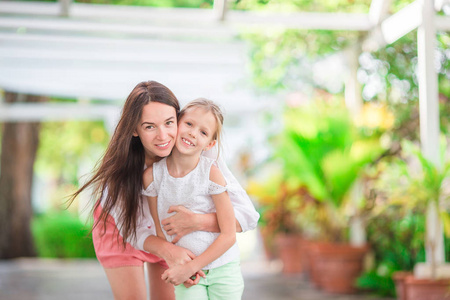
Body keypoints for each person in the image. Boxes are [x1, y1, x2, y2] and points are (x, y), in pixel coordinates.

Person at [69, 81, 259, 300]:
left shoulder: (200, 152)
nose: (163, 136)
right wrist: (172, 253)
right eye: (149, 126)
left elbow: (247, 216)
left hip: (171, 232)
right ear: (134, 129)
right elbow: (134, 231)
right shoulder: (121, 174)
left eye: (169, 123)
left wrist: (197, 222)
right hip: (123, 230)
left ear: (178, 119)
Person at [143, 98, 244, 299]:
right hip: (186, 274)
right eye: (189, 124)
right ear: (177, 123)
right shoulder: (152, 177)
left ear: (210, 144)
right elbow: (160, 231)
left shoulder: (211, 174)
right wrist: (180, 266)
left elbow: (229, 234)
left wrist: (191, 266)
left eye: (203, 132)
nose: (192, 133)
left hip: (223, 269)